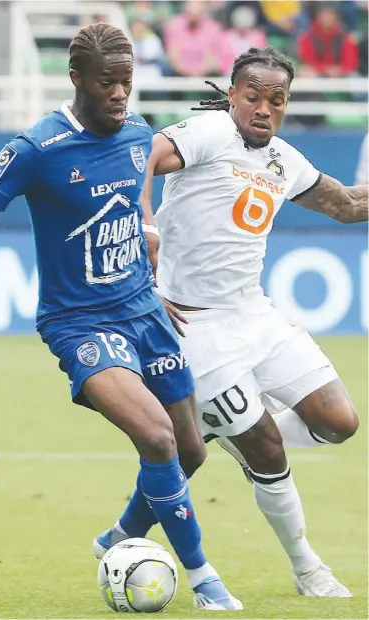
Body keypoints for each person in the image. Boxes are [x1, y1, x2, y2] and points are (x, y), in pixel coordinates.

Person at [99, 47, 367, 598]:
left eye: (277, 100)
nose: (264, 108)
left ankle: (227, 433)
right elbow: (141, 155)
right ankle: (308, 568)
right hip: (196, 328)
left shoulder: (285, 160)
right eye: (253, 96)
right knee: (268, 447)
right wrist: (144, 225)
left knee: (340, 422)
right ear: (233, 94)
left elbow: (346, 205)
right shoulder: (207, 133)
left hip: (255, 316)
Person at [0, 23, 242, 612]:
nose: (119, 94)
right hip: (78, 322)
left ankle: (119, 538)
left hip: (145, 311)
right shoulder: (37, 149)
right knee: (156, 437)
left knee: (190, 452)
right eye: (107, 83)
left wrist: (148, 230)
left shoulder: (137, 134)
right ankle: (205, 578)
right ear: (76, 78)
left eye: (126, 82)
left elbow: (139, 188)